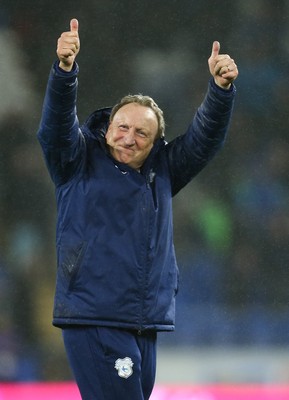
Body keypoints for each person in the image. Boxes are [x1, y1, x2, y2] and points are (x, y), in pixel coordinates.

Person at [37, 18, 238, 400]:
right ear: (107, 126)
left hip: (144, 320)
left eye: (141, 133)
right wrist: (65, 72)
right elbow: (55, 127)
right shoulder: (76, 160)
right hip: (96, 317)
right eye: (122, 126)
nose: (128, 137)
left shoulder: (162, 170)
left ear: (155, 143)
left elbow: (202, 140)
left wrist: (220, 90)